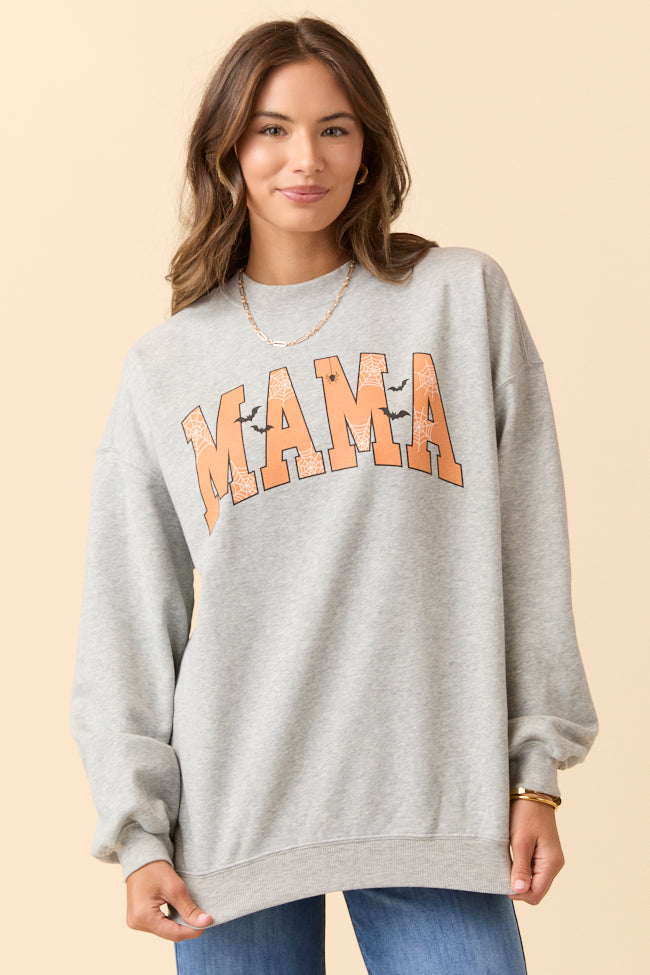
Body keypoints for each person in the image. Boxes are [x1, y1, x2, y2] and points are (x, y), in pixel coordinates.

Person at [70, 15, 599, 975]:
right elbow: (128, 616)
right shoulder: (166, 366)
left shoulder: (458, 299)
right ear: (228, 150)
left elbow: (530, 546)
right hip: (232, 824)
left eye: (335, 128)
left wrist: (536, 775)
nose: (304, 158)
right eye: (271, 129)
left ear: (369, 149)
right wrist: (138, 834)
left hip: (430, 803)